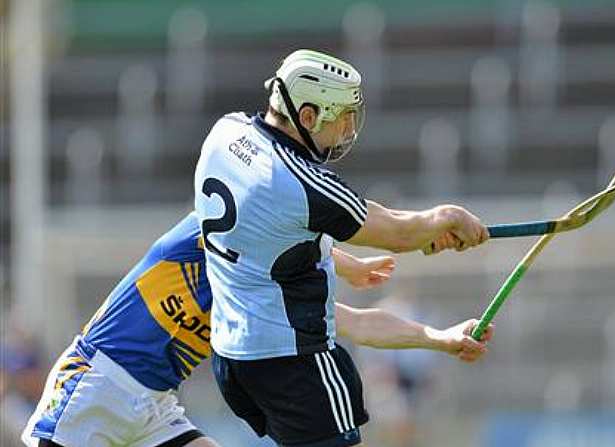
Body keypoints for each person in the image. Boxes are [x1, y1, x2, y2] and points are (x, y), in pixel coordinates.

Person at [193, 49, 489, 447]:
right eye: (342, 117)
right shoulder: (303, 184)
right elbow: (397, 232)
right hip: (293, 362)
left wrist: (438, 337)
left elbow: (270, 225)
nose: (349, 129)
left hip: (234, 357)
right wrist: (446, 217)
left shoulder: (225, 133)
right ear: (309, 116)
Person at [21, 213, 493, 447]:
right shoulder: (209, 227)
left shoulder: (257, 294)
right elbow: (292, 232)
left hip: (153, 406)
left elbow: (360, 324)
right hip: (95, 385)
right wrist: (350, 265)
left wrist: (441, 338)